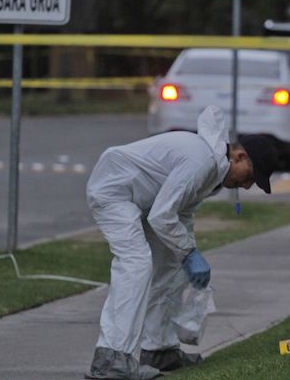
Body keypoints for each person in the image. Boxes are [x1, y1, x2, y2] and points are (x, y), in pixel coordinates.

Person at [84, 106, 278, 380]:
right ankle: (110, 359)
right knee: (136, 264)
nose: (246, 186)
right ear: (239, 155)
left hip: (143, 199)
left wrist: (186, 253)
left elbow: (181, 211)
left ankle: (159, 350)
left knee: (171, 265)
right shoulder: (202, 161)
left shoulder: (213, 171)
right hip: (114, 191)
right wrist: (189, 252)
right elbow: (163, 215)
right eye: (249, 177)